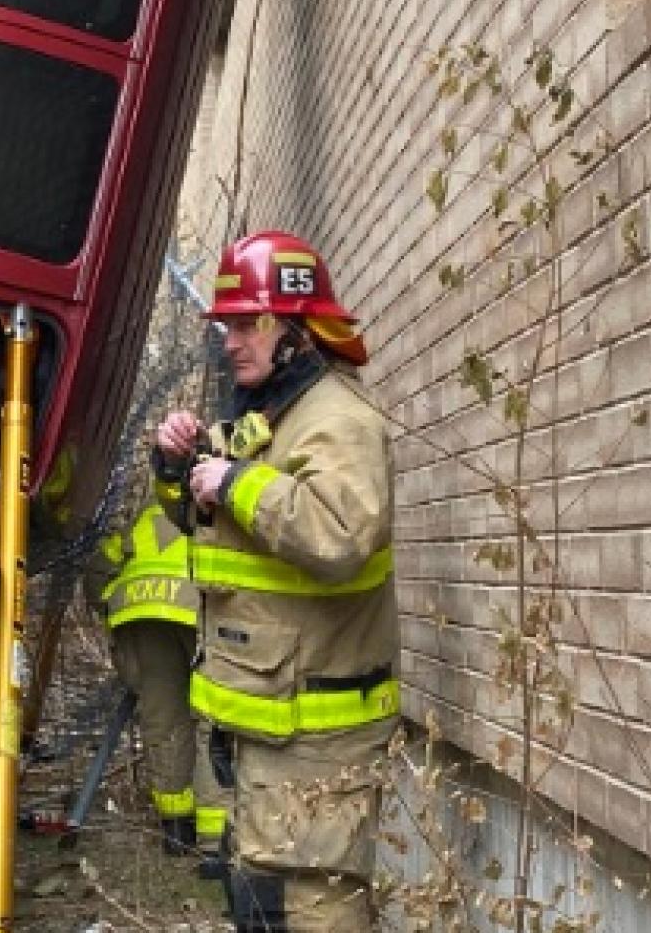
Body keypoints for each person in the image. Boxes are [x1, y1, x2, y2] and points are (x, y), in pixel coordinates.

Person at [150, 231, 399, 933]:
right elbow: (219, 535)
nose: (230, 339)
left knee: (316, 907)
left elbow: (340, 535)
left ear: (296, 328)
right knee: (262, 901)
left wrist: (236, 482)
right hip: (266, 724)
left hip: (319, 734)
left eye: (247, 321)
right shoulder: (270, 420)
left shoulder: (339, 420)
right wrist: (182, 468)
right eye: (226, 324)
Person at [92, 502, 230, 875]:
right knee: (211, 719)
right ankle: (215, 843)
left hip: (139, 614)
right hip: (194, 611)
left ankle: (175, 830)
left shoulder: (142, 515)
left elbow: (99, 568)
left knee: (162, 717)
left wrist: (108, 610)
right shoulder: (214, 510)